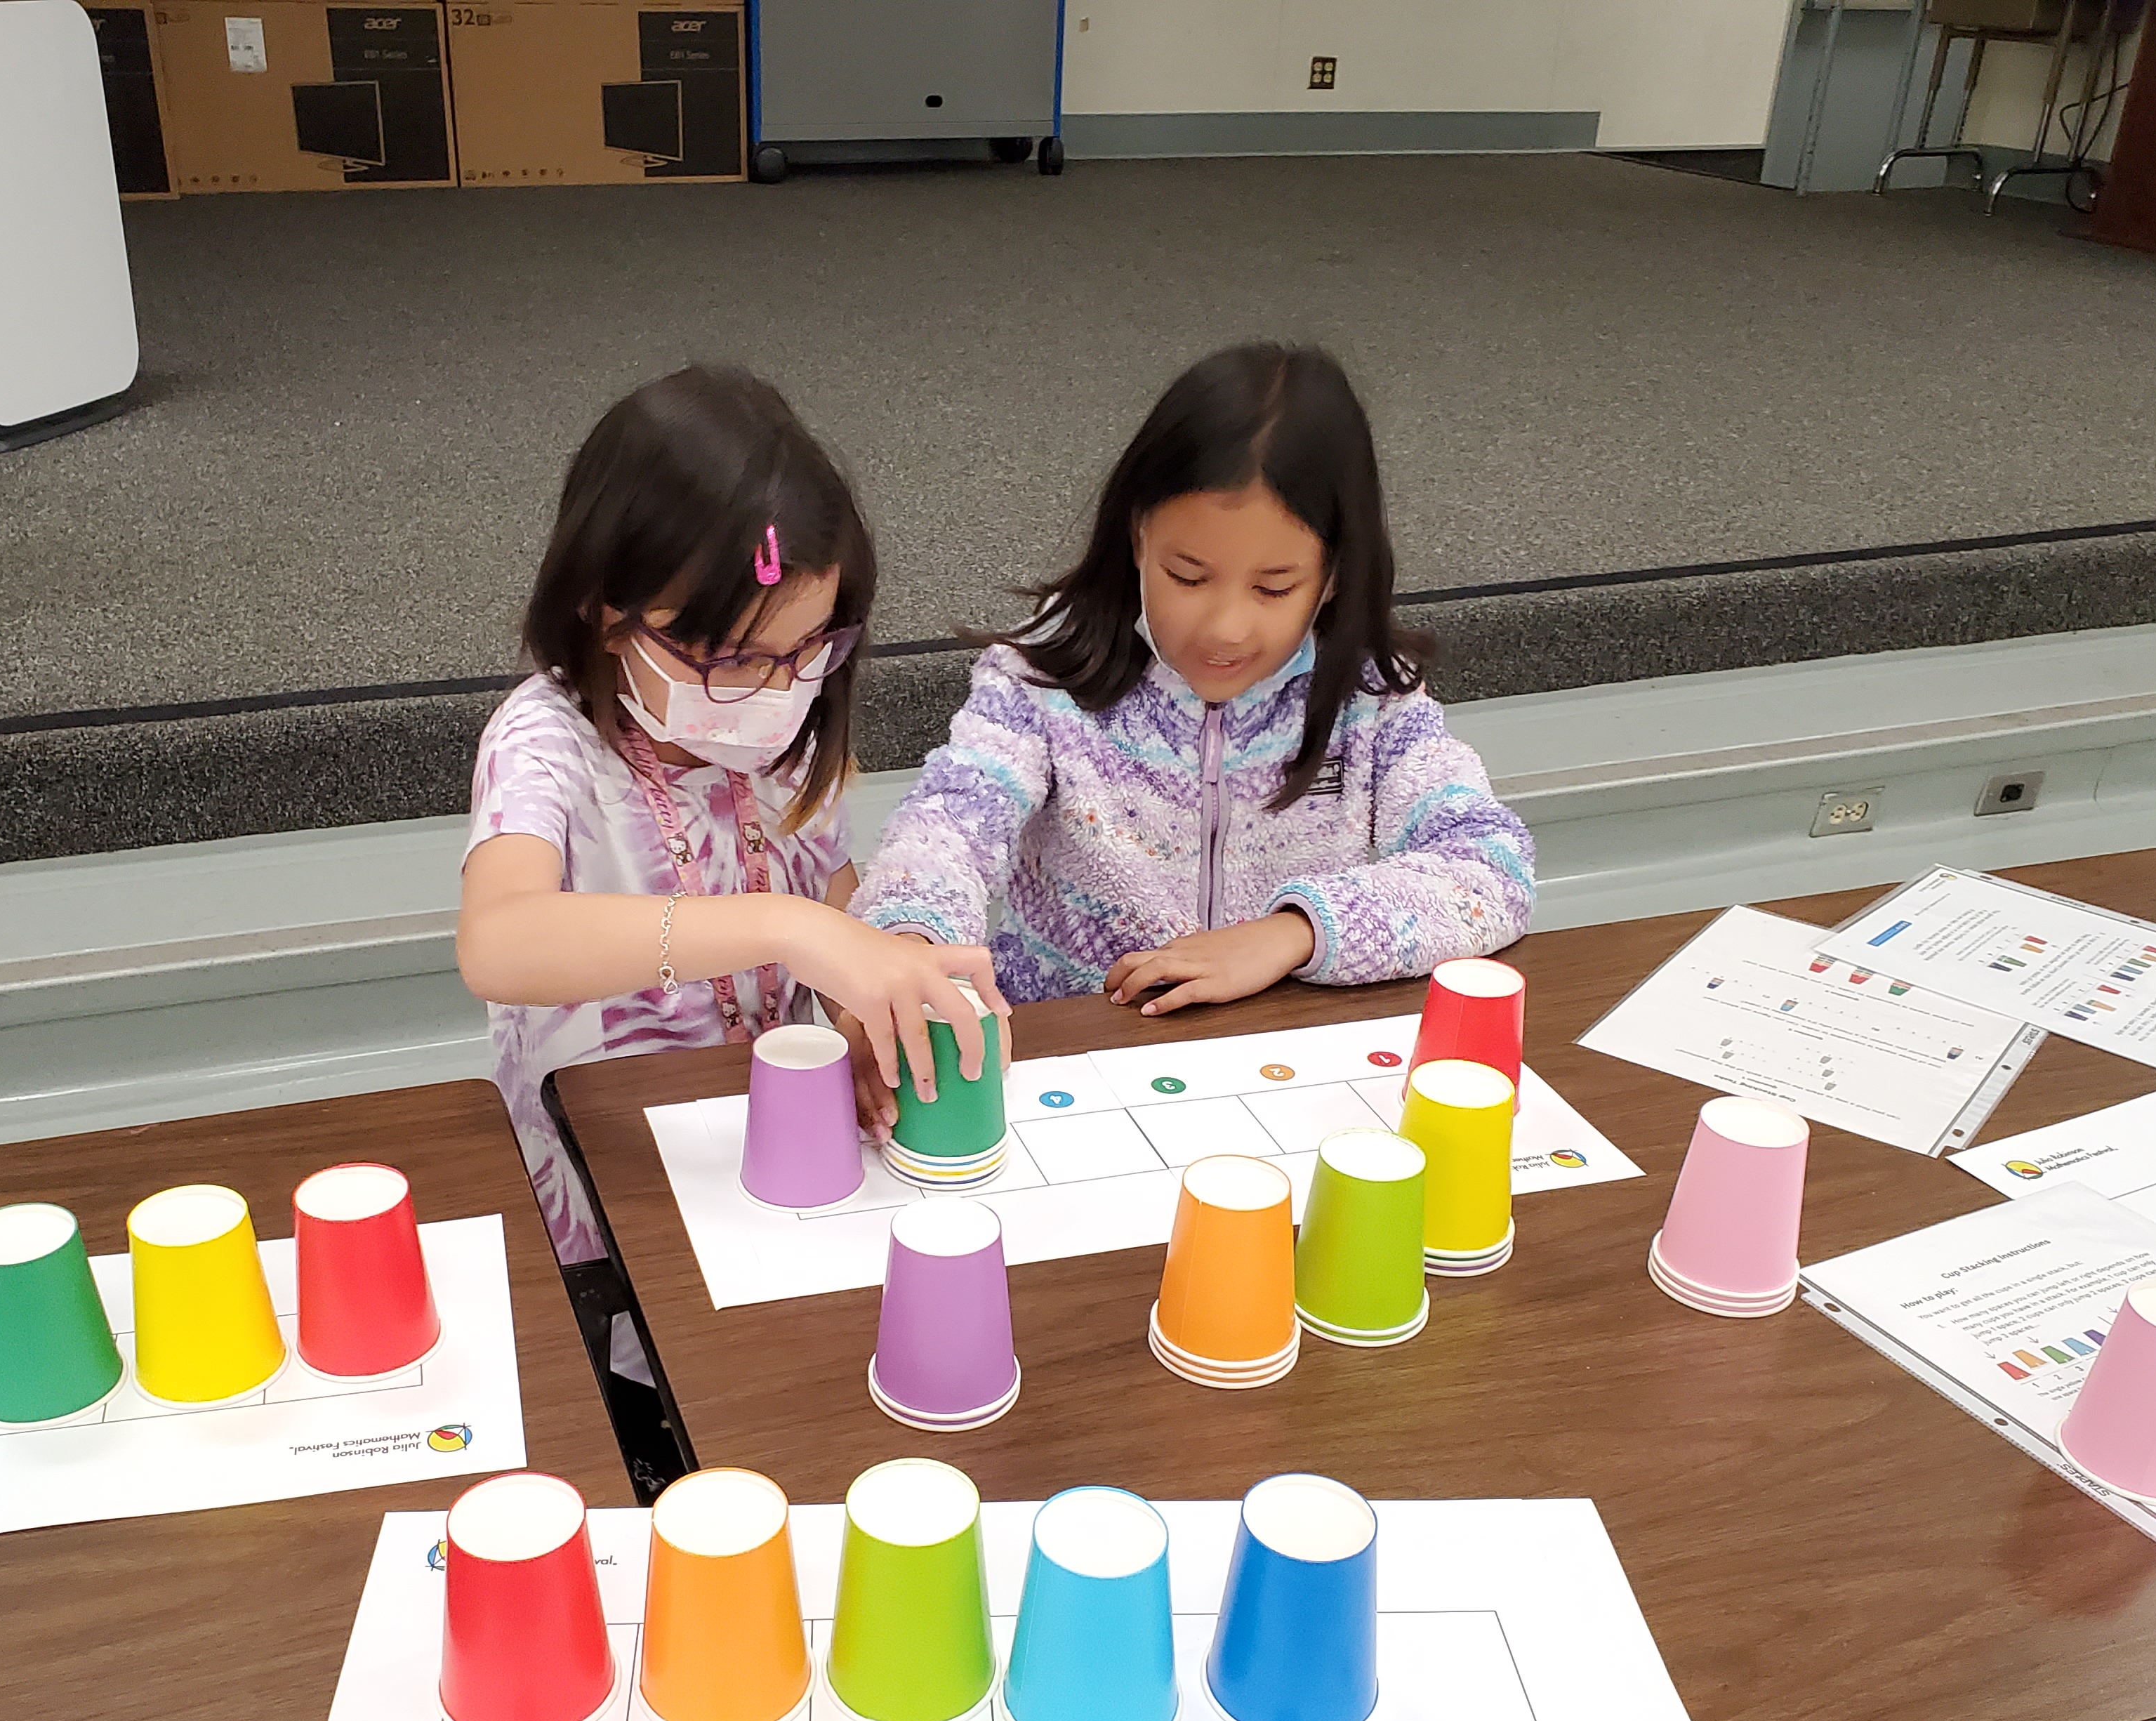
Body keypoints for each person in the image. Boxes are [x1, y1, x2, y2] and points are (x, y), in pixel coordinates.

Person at [457, 366, 1004, 1419]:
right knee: (656, 1421)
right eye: (729, 658)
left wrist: (862, 1005)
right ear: (602, 607)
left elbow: (831, 896)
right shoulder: (549, 745)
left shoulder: (791, 737)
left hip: (771, 1182)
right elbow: (502, 942)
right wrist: (786, 930)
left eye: (808, 650)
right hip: (606, 1211)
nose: (776, 688)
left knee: (784, 1401)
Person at [846, 342, 1531, 1121]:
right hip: (1068, 1060)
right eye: (1188, 576)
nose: (1226, 627)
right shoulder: (1041, 680)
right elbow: (945, 830)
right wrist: (906, 944)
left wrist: (1292, 933)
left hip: (1280, 1061)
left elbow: (1490, 867)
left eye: (1276, 587)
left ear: (1336, 573)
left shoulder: (1370, 697)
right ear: (1137, 536)